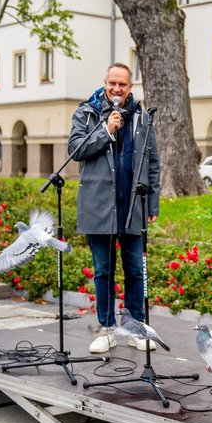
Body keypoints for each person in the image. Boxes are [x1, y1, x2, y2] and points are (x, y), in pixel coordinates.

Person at [68, 63, 160, 354]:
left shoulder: (143, 118)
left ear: (130, 87)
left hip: (132, 206)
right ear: (104, 83)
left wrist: (152, 203)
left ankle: (135, 328)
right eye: (112, 83)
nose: (117, 89)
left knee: (134, 271)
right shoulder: (87, 113)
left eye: (123, 84)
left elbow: (153, 163)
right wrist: (106, 131)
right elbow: (75, 150)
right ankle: (106, 329)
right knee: (103, 271)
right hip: (99, 206)